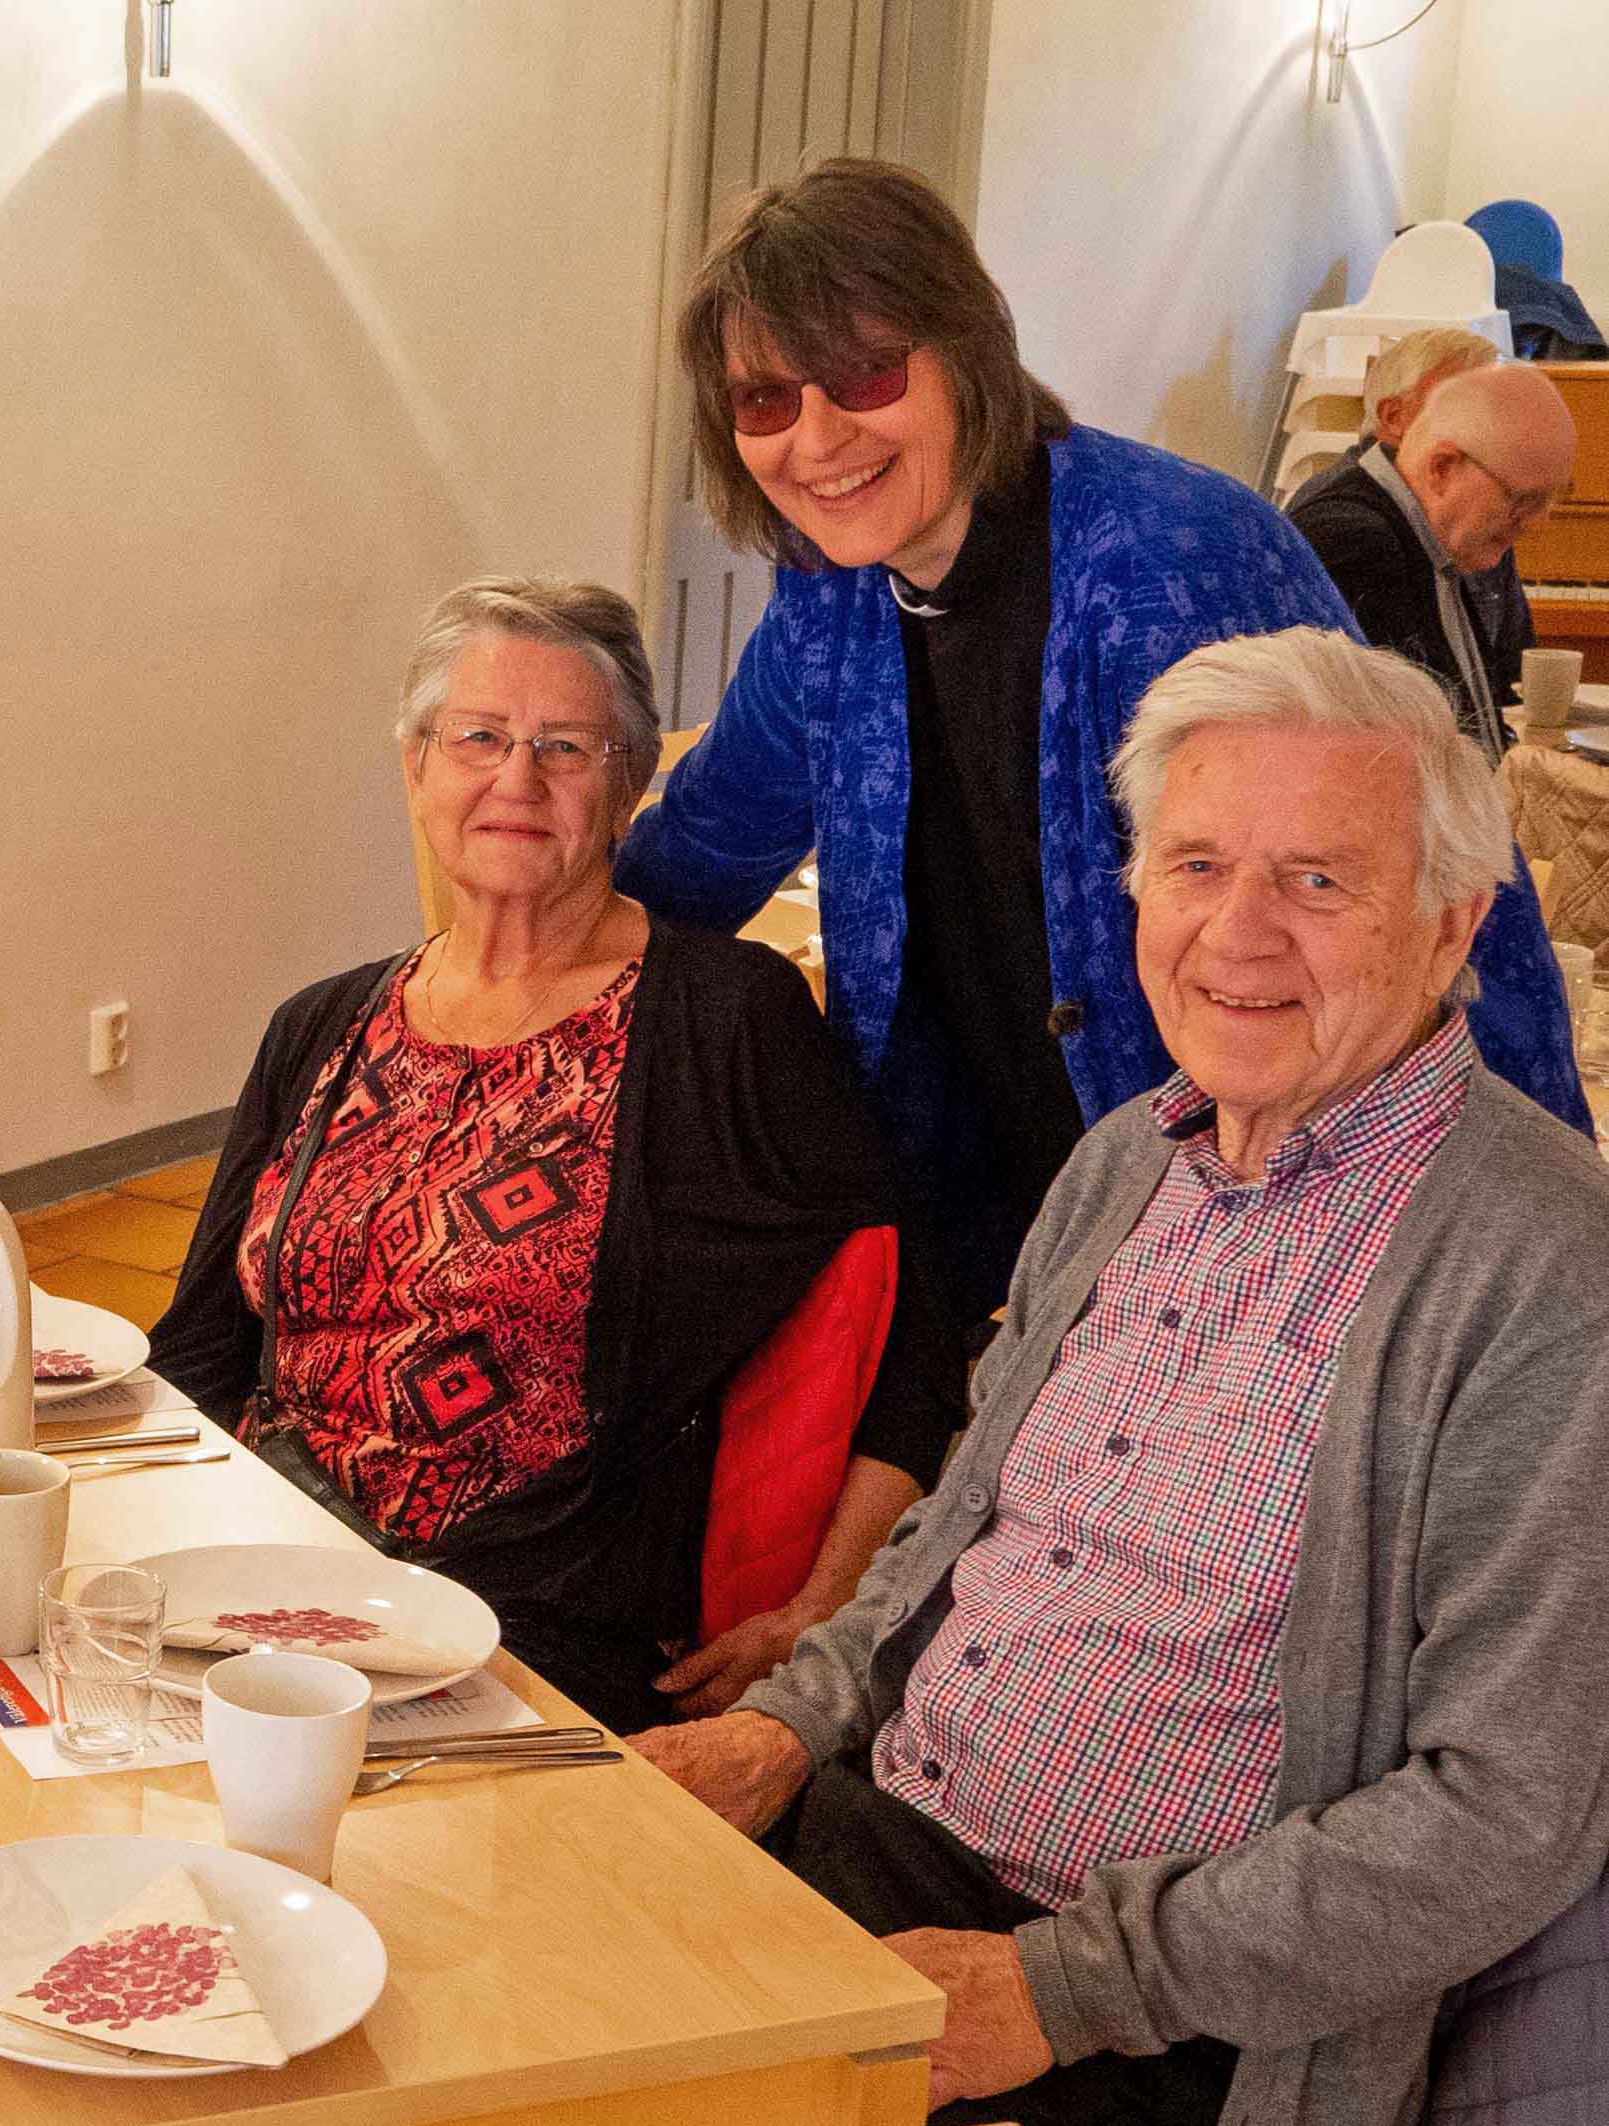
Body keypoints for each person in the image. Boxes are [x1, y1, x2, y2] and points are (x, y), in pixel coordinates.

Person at [639, 630, 1609, 2126]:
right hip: (869, 1842)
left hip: (1165, 2044)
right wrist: (780, 1725)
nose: (1235, 932)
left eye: (1315, 882)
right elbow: (960, 1540)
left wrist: (1054, 1989)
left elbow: (1503, 1814)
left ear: (1448, 928)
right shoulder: (1124, 1159)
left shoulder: (1549, 1274)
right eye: (1196, 862)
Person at [613, 157, 1589, 1322]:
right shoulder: (830, 597)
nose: (814, 438)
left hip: (1236, 1215)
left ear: (965, 351)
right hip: (975, 1215)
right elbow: (707, 843)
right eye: (765, 400)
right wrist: (507, 964)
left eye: (864, 375)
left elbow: (1426, 873)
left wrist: (1547, 1250)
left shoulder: (1170, 564)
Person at [146, 579, 962, 1733]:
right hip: (272, 1569)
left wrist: (824, 1616)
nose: (515, 778)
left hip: (534, 1619)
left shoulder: (725, 1020)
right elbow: (199, 1349)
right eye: (477, 736)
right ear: (417, 766)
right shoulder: (319, 1023)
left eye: (564, 746)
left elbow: (912, 1343)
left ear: (630, 783)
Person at [1289, 361, 1578, 759]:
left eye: (1553, 499)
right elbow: (1390, 757)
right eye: (1524, 500)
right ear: (1442, 468)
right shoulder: (1352, 543)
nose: (1538, 524)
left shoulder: (1432, 536)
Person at [1288, 327, 1531, 685]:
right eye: (1467, 406)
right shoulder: (1345, 528)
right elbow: (1389, 711)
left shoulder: (1466, 511)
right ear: (1394, 417)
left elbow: (1511, 673)